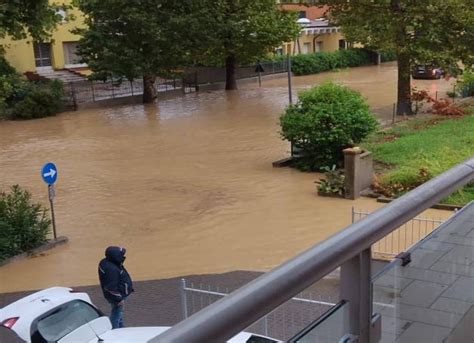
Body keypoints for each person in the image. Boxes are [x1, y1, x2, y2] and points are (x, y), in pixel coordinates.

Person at [98, 246, 134, 329]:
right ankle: (115, 331)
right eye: (121, 255)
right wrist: (119, 299)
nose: (123, 256)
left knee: (119, 314)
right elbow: (111, 287)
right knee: (116, 314)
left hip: (115, 295)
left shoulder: (106, 263)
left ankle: (121, 328)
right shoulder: (112, 269)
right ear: (115, 256)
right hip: (118, 296)